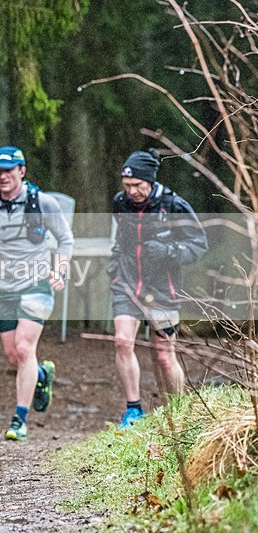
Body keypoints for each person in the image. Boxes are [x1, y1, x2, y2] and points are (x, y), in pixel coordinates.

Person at [0, 146, 73, 441]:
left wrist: (59, 271)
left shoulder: (43, 203)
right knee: (13, 356)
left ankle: (19, 420)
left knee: (25, 349)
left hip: (37, 284)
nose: (2, 176)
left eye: (8, 171)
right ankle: (41, 375)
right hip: (3, 287)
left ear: (22, 171)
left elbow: (65, 239)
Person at [108, 149, 207, 428]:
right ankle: (133, 410)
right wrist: (114, 265)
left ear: (150, 181)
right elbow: (121, 238)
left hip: (164, 289)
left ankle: (178, 411)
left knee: (164, 354)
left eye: (138, 185)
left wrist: (167, 251)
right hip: (127, 284)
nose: (132, 192)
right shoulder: (121, 203)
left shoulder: (173, 205)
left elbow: (199, 244)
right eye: (127, 186)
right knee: (122, 342)